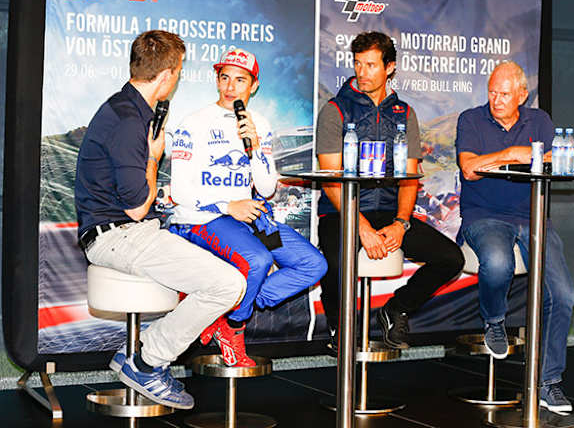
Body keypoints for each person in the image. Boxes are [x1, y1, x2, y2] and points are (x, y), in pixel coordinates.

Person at [75, 30, 247, 409]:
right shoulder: (127, 120)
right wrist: (154, 157)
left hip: (128, 232)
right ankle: (146, 361)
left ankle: (144, 351)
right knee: (228, 284)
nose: (178, 78)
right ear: (167, 75)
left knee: (216, 272)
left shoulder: (128, 109)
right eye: (179, 71)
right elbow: (137, 207)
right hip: (118, 235)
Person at [168, 48, 327, 366]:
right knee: (258, 259)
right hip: (200, 219)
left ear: (253, 86)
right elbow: (180, 191)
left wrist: (254, 149)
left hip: (248, 218)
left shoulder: (259, 124)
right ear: (217, 80)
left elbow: (266, 189)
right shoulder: (193, 122)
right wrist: (228, 205)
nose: (230, 87)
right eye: (225, 78)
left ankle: (226, 309)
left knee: (312, 264)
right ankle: (234, 327)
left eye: (240, 80)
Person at [315, 31, 464, 350]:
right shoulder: (335, 110)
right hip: (342, 212)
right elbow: (330, 180)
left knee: (450, 258)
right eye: (358, 63)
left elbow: (410, 177)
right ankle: (340, 328)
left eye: (371, 65)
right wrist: (362, 227)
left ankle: (397, 309)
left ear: (390, 67)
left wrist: (401, 223)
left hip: (388, 211)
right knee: (335, 262)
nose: (362, 72)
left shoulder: (404, 113)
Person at [455, 61, 574, 413]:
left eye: (504, 94)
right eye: (492, 92)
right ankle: (494, 320)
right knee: (497, 263)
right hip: (484, 216)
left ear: (522, 95)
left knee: (563, 295)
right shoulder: (471, 119)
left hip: (533, 217)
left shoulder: (539, 121)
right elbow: (470, 169)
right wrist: (511, 154)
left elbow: (556, 158)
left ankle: (548, 383)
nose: (496, 100)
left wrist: (499, 160)